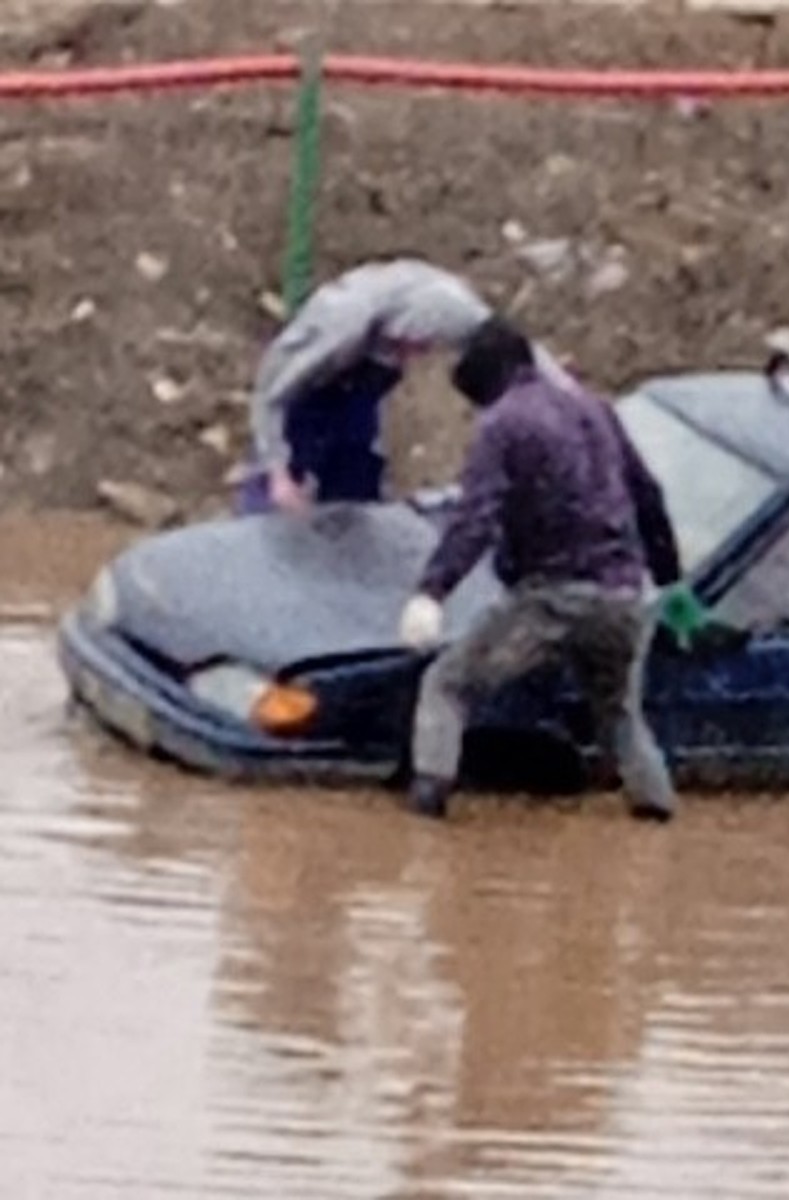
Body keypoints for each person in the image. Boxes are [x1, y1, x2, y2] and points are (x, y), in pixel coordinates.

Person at [396, 316, 683, 822]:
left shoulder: (502, 425)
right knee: (620, 715)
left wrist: (431, 592)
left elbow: (475, 520)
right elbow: (647, 495)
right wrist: (671, 580)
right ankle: (657, 813)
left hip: (550, 597)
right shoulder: (594, 408)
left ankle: (427, 810)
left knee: (447, 684)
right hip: (623, 598)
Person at [237, 257, 493, 514]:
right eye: (415, 344)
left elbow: (501, 341)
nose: (416, 356)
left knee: (358, 492)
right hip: (303, 407)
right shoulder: (342, 328)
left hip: (354, 424)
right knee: (271, 508)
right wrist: (278, 476)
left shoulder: (438, 298)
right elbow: (272, 398)